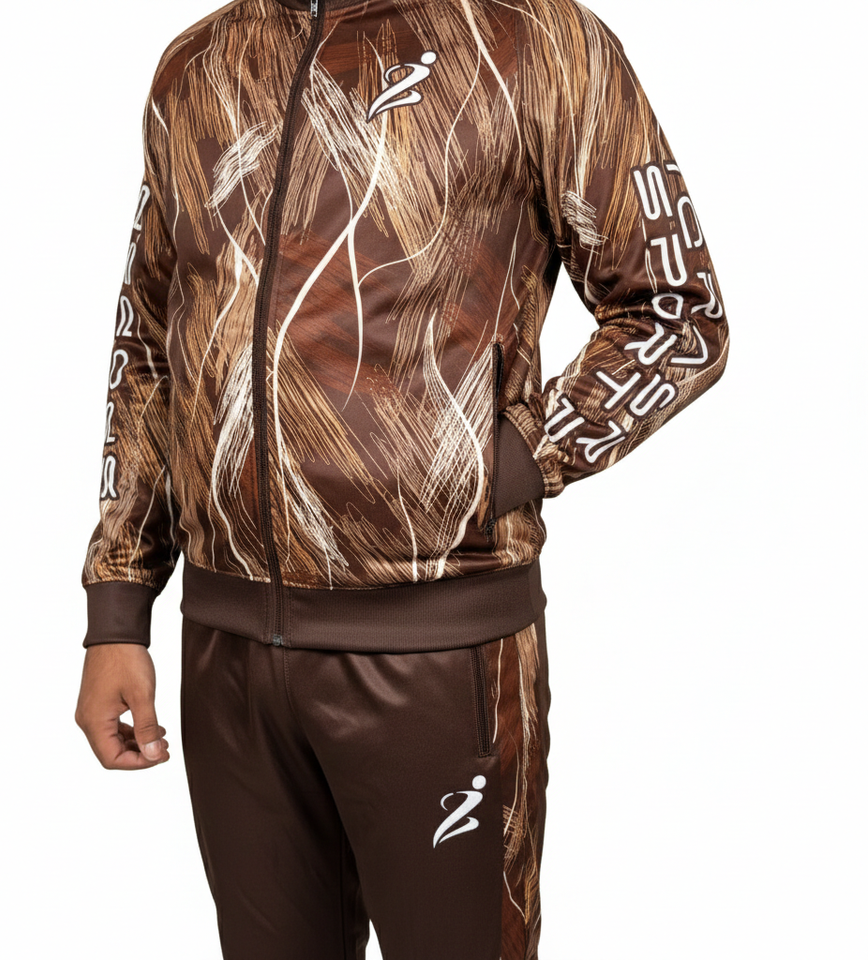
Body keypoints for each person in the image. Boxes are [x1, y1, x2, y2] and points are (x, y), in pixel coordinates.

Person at [75, 0, 729, 956]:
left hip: (438, 652)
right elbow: (148, 347)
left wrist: (506, 461)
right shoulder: (198, 66)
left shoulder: (536, 40)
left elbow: (677, 313)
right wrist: (118, 608)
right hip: (228, 657)